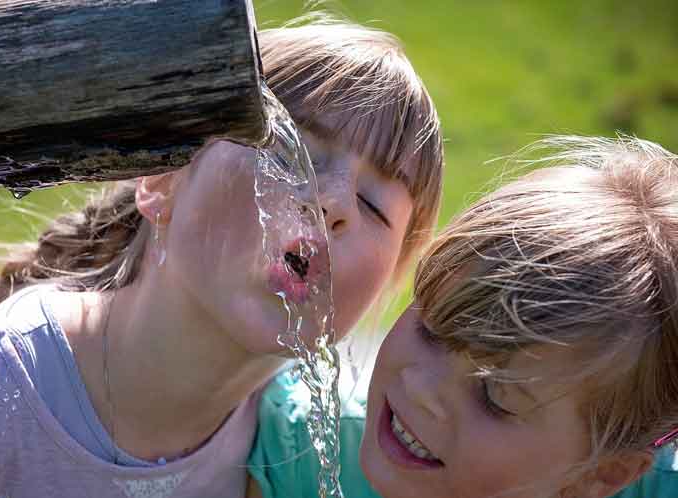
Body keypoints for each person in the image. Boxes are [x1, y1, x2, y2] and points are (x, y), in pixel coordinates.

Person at [0, 18, 444, 498]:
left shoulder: (326, 458)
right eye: (292, 151)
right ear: (161, 179)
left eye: (374, 206)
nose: (333, 203)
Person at [250, 135, 678, 498]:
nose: (420, 389)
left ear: (602, 474)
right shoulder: (295, 456)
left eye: (493, 396)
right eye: (431, 329)